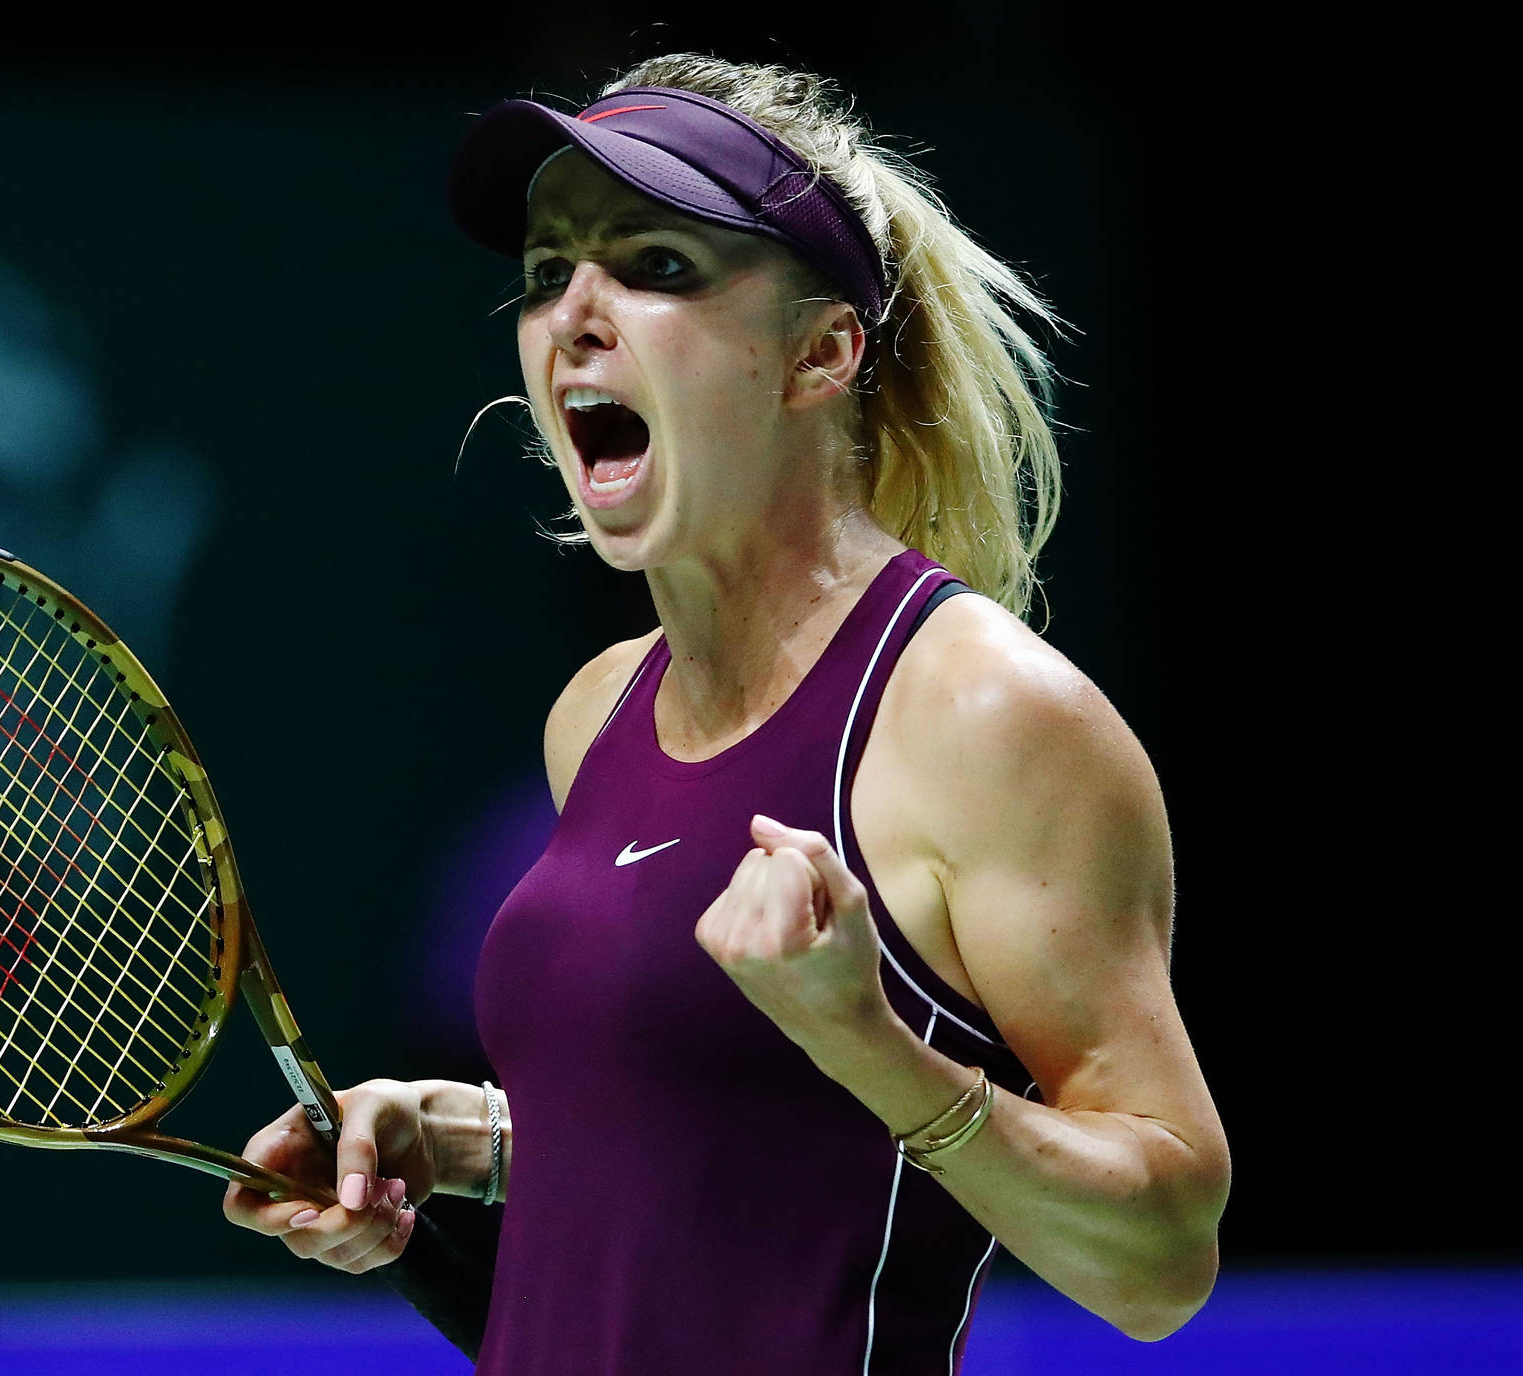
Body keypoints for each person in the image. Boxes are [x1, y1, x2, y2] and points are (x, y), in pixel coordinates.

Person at [224, 54, 1229, 1374]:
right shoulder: (596, 713)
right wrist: (454, 1149)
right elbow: (715, 1189)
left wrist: (865, 1037)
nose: (576, 309)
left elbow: (1162, 1263)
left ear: (820, 353)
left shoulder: (984, 715)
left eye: (656, 265)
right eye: (545, 273)